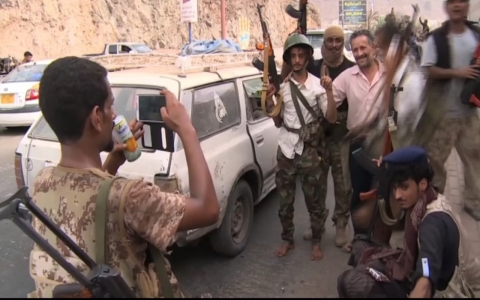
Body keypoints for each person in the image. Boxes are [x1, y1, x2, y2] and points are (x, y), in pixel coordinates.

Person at [27, 57, 220, 298]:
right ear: (97, 118)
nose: (115, 114)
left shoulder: (42, 182)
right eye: (110, 106)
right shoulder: (130, 197)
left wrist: (112, 163)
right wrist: (186, 130)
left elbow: (87, 205)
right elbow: (208, 209)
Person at [337, 146, 480, 298]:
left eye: (404, 187)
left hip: (448, 291)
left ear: (422, 184)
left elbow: (426, 274)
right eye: (394, 188)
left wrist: (419, 288)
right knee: (360, 247)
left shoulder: (432, 224)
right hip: (425, 272)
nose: (398, 195)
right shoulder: (426, 197)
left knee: (352, 281)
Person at [265, 33, 337, 260]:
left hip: (310, 151)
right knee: (285, 203)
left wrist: (329, 92)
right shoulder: (283, 88)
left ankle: (317, 241)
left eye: (300, 55)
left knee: (315, 201)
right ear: (288, 59)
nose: (297, 60)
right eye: (293, 56)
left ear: (307, 58)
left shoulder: (317, 86)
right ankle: (288, 240)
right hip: (286, 149)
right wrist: (269, 100)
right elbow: (277, 121)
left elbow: (332, 118)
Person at [324, 29, 387, 253]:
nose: (359, 53)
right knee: (359, 193)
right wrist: (329, 92)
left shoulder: (390, 75)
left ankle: (380, 239)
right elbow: (329, 112)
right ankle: (360, 237)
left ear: (373, 48)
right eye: (355, 49)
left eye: (363, 48)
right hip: (358, 144)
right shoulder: (347, 77)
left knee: (384, 193)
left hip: (384, 143)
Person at [294, 26, 356, 249]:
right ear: (324, 43)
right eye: (330, 40)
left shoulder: (351, 68)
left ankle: (341, 223)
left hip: (340, 136)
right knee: (316, 183)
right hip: (317, 135)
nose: (334, 45)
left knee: (342, 184)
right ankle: (317, 223)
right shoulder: (314, 66)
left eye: (338, 40)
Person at [421, 0, 480, 220]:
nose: (457, 6)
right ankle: (435, 202)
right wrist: (458, 72)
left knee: (475, 160)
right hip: (443, 115)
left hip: (469, 113)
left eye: (462, 1)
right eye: (453, 2)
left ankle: (473, 203)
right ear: (447, 7)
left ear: (467, 6)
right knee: (435, 161)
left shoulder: (476, 35)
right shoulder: (435, 38)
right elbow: (427, 70)